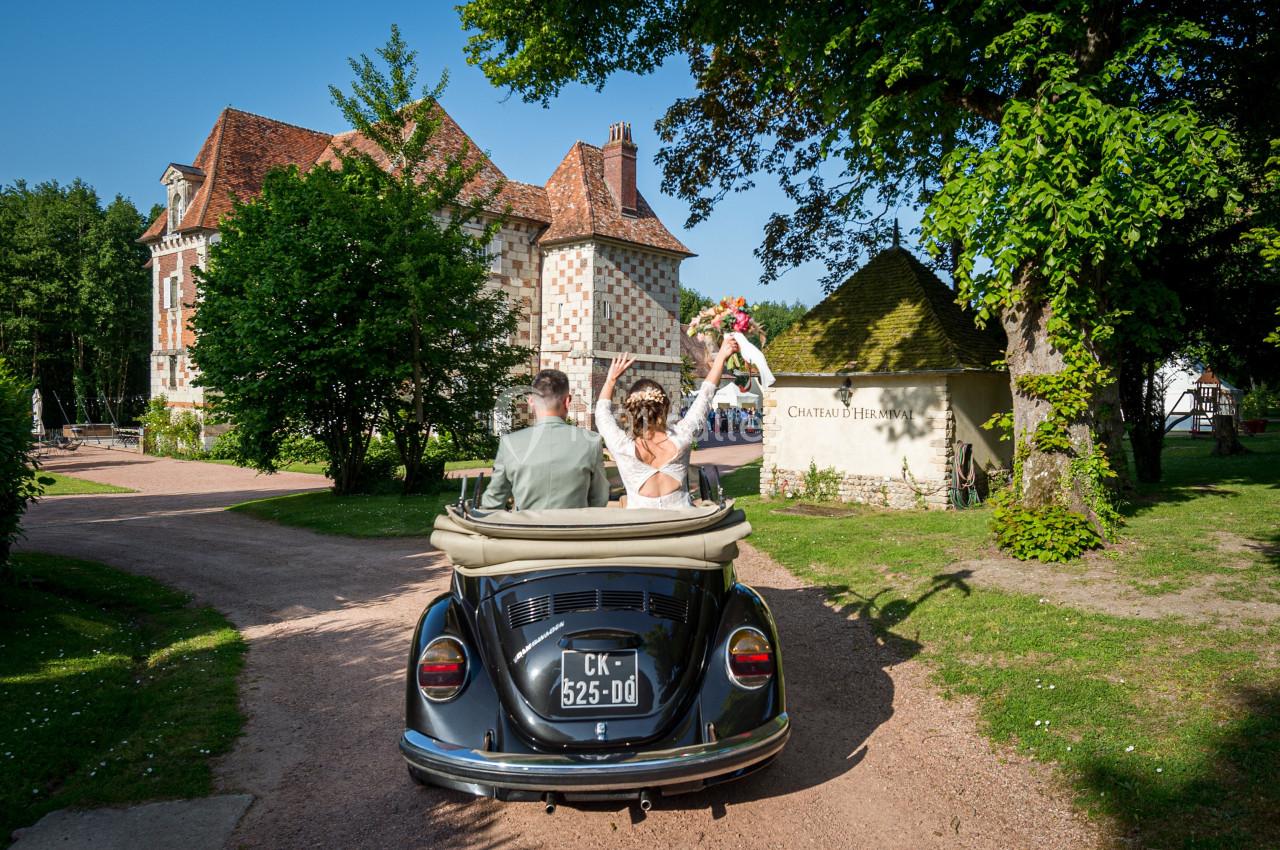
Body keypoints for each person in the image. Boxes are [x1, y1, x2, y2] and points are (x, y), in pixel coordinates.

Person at [595, 338, 739, 509]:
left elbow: (601, 414)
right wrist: (721, 356)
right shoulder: (683, 437)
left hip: (641, 531)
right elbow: (706, 395)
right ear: (666, 407)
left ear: (631, 411)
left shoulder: (621, 447)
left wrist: (611, 380)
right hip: (683, 530)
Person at [480, 369, 610, 511]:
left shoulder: (509, 443)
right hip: (575, 530)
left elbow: (493, 503)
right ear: (568, 401)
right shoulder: (591, 441)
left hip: (526, 530)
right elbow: (599, 499)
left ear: (531, 402)